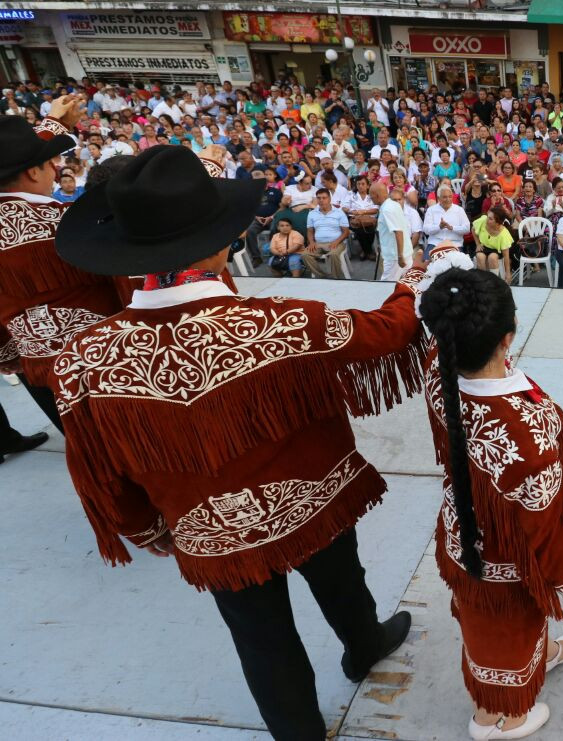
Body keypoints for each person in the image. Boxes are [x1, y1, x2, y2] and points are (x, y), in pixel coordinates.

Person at [52, 145, 428, 738]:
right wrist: (410, 285)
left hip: (209, 528)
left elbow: (100, 471)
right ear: (220, 244)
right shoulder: (283, 321)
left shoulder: (82, 362)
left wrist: (151, 529)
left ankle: (298, 731)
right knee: (342, 582)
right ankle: (364, 647)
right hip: (313, 496)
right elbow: (385, 333)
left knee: (260, 639)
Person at [420, 261, 563, 740]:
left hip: (463, 531)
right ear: (508, 337)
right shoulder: (527, 436)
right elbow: (549, 525)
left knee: (486, 619)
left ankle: (541, 657)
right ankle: (501, 716)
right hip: (510, 555)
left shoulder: (441, 371)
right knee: (505, 626)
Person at [0, 95, 134, 430]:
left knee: (85, 446)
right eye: (50, 164)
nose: (57, 168)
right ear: (34, 171)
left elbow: (17, 159)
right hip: (110, 360)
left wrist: (8, 355)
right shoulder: (70, 223)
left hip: (38, 368)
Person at [302, 187, 350, 279]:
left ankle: (336, 278)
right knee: (305, 255)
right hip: (318, 244)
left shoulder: (339, 213)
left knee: (333, 254)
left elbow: (346, 232)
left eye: (324, 198)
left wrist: (336, 242)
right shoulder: (312, 213)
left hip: (336, 243)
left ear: (329, 199)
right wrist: (311, 242)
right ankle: (322, 276)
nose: (321, 200)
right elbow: (310, 231)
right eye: (319, 198)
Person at [374, 181, 411, 281]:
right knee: (404, 284)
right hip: (400, 253)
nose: (370, 198)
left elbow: (398, 232)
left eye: (371, 196)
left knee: (387, 287)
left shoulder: (387, 209)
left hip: (395, 257)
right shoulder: (392, 205)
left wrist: (400, 256)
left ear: (377, 195)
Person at [472, 205, 515, 281]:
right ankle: (483, 281)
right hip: (484, 246)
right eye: (488, 217)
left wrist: (508, 273)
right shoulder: (483, 221)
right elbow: (473, 229)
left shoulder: (503, 234)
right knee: (480, 256)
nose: (487, 220)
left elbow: (506, 256)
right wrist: (478, 244)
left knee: (492, 258)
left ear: (498, 223)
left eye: (491, 219)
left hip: (496, 250)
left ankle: (493, 281)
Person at [424, 184, 469, 250]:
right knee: (427, 260)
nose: (448, 199)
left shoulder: (459, 210)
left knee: (455, 260)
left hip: (454, 244)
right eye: (445, 197)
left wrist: (451, 228)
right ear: (439, 198)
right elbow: (426, 229)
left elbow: (467, 229)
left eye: (450, 197)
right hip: (435, 243)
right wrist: (439, 227)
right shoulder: (431, 210)